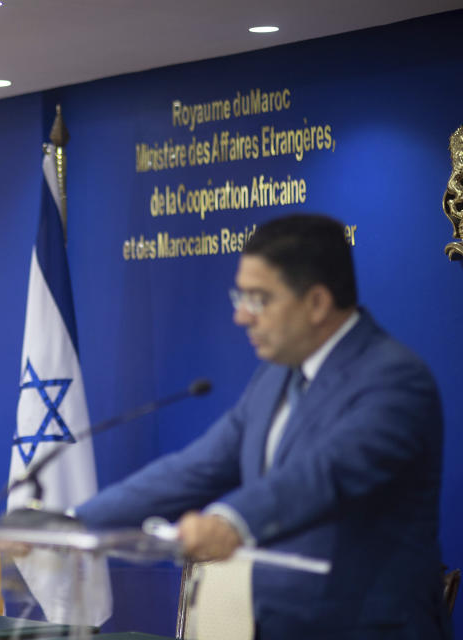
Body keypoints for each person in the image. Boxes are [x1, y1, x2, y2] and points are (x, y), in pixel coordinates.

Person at [77, 214, 450, 638]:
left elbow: (322, 475)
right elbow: (198, 467)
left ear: (316, 303)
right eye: (241, 295)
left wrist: (230, 521)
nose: (241, 316)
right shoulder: (274, 378)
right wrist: (75, 521)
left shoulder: (396, 380)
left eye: (258, 298)